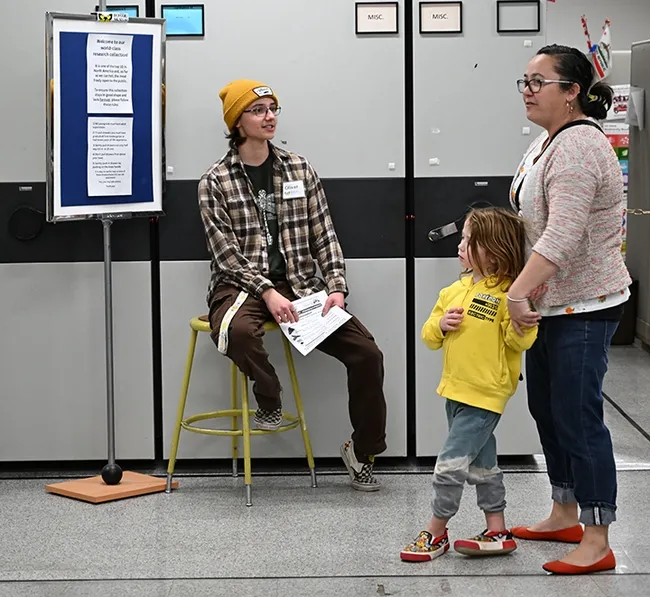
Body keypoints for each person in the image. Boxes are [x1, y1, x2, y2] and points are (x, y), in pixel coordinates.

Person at [197, 79, 387, 491]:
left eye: (272, 108)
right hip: (241, 286)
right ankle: (269, 395)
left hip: (300, 284)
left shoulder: (299, 168)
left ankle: (364, 450)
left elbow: (325, 235)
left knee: (367, 354)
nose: (269, 117)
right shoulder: (215, 181)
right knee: (236, 331)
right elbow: (225, 254)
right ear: (237, 121)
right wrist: (267, 291)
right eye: (258, 109)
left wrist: (336, 287)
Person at [506, 45, 632, 575]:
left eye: (539, 81)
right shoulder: (547, 141)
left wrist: (516, 293)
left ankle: (597, 535)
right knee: (548, 410)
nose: (529, 90)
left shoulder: (579, 145)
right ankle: (563, 510)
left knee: (579, 419)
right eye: (525, 82)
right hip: (552, 303)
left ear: (572, 91)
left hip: (585, 303)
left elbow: (562, 234)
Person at [400, 207, 538, 562]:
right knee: (481, 463)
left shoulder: (509, 294)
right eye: (461, 239)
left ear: (493, 250)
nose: (459, 245)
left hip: (485, 396)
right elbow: (429, 337)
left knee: (449, 465)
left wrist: (523, 324)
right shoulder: (453, 291)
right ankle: (498, 528)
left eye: (468, 240)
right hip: (454, 392)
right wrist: (441, 325)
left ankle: (436, 531)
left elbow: (518, 342)